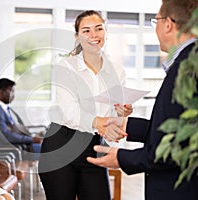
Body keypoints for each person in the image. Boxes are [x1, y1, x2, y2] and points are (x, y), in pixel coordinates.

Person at [87, 1, 198, 200]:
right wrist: (128, 124)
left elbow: (177, 147)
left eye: (155, 20)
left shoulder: (185, 70)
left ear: (168, 24)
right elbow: (178, 131)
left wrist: (121, 158)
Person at [38, 10, 132, 200]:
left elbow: (114, 116)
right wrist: (98, 121)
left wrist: (122, 113)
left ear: (106, 32)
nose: (93, 35)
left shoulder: (117, 71)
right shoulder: (66, 67)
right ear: (77, 36)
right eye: (86, 31)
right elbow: (68, 110)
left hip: (93, 147)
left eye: (98, 29)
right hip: (60, 146)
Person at [0, 78, 42, 157]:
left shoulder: (4, 109)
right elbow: (8, 136)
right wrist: (32, 139)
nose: (13, 95)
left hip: (18, 146)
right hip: (10, 150)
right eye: (11, 91)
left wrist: (31, 137)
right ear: (1, 92)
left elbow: (13, 130)